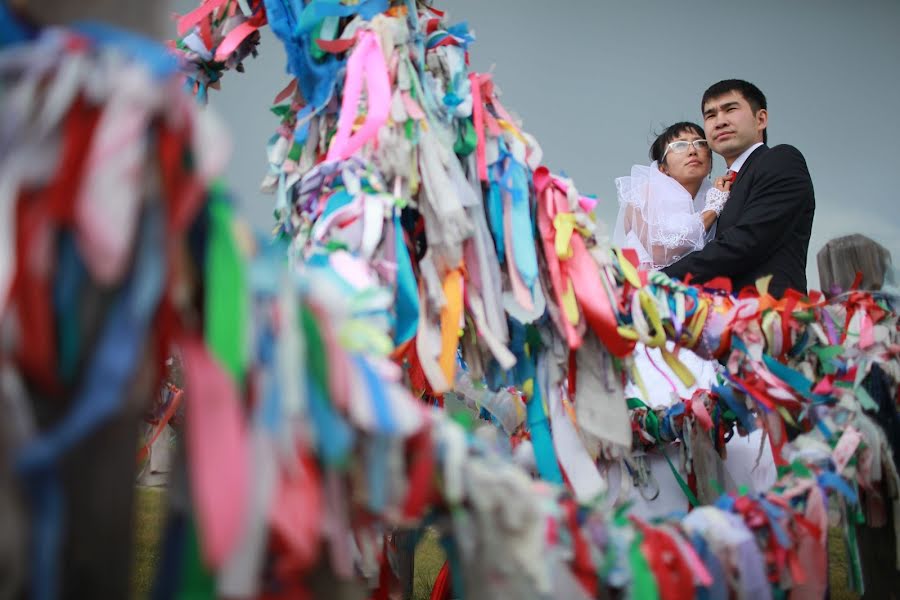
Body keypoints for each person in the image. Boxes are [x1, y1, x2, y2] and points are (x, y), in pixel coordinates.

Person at [610, 122, 776, 519]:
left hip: (693, 324)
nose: (695, 149)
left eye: (700, 143)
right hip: (652, 325)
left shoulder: (712, 197)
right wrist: (712, 210)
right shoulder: (646, 190)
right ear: (663, 166)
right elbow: (659, 246)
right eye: (681, 144)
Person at [662, 79, 815, 298]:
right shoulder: (718, 190)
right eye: (710, 115)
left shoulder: (781, 160)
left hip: (770, 319)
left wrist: (658, 279)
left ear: (761, 119)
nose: (720, 121)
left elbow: (743, 244)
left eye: (730, 109)